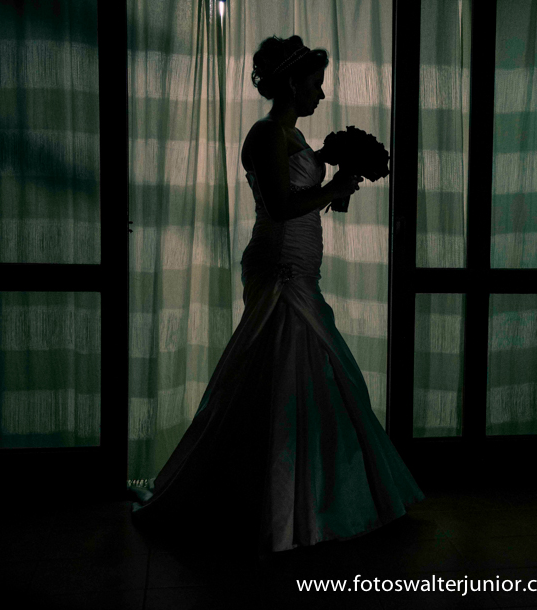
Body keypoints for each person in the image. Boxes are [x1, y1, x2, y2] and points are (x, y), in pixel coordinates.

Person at [130, 35, 425, 559]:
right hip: (280, 267)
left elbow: (303, 202)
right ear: (292, 83)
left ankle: (308, 496)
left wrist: (336, 181)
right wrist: (332, 191)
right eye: (315, 83)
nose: (321, 93)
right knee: (285, 368)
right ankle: (282, 502)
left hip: (301, 269)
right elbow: (282, 206)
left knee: (300, 375)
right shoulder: (266, 134)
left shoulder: (291, 135)